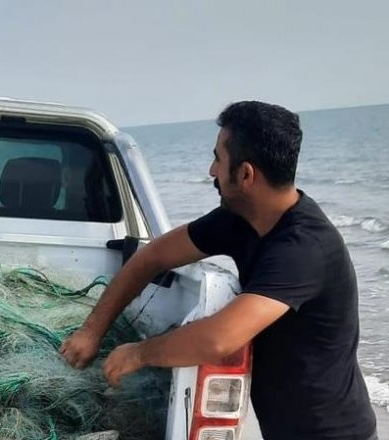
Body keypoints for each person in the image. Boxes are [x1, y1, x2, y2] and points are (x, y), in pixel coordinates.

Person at [60, 101, 377, 439]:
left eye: (218, 159)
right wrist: (91, 331)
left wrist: (139, 353)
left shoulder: (305, 247)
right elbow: (152, 257)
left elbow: (218, 338)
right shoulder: (239, 219)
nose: (211, 170)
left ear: (245, 175)